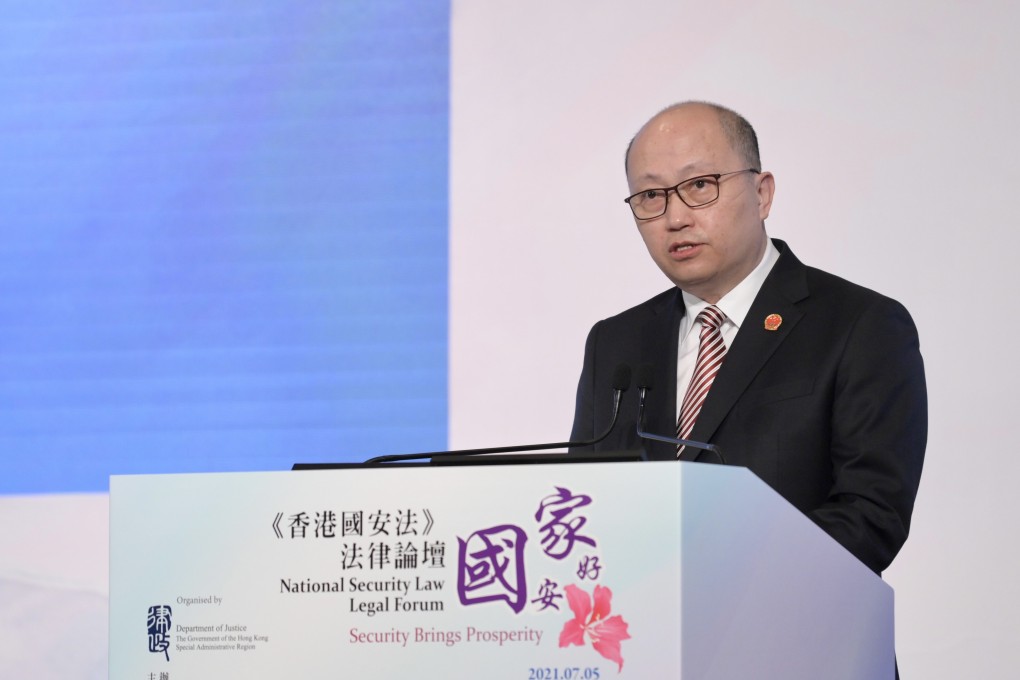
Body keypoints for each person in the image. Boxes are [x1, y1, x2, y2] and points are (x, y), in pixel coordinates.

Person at [570, 101, 926, 575]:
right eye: (651, 196)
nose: (675, 217)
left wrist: (710, 575)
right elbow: (583, 507)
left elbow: (871, 515)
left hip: (796, 635)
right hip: (647, 643)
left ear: (762, 194)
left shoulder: (861, 326)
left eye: (699, 186)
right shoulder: (615, 343)